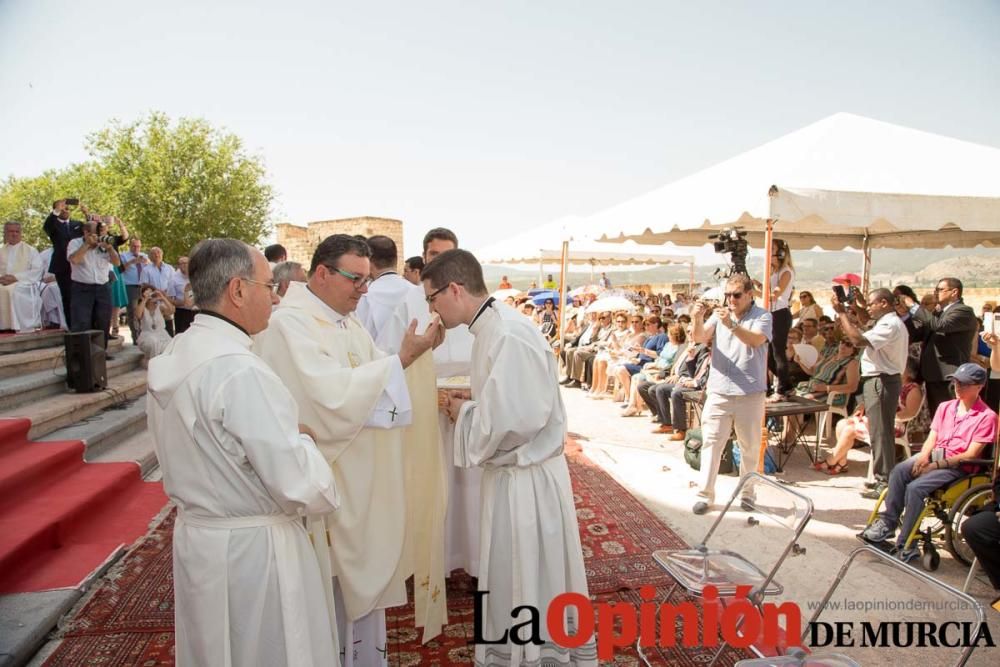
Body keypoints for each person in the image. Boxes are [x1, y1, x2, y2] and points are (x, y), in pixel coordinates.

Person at [146, 239, 341, 666]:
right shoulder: (241, 371)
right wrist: (303, 438)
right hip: (256, 552)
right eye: (268, 286)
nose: (275, 297)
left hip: (201, 540)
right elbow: (302, 487)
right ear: (237, 290)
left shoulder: (176, 352)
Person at [254, 234, 446, 661]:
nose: (364, 289)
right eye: (355, 280)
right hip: (325, 488)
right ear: (321, 274)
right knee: (326, 591)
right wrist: (401, 362)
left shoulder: (346, 320)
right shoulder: (291, 325)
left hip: (357, 480)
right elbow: (328, 398)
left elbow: (375, 371)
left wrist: (406, 357)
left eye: (365, 279)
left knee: (350, 593)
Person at [429, 249, 597, 666]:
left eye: (432, 297)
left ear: (454, 288)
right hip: (514, 477)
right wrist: (477, 398)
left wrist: (462, 412)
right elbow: (513, 399)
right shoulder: (492, 329)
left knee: (527, 575)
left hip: (527, 483)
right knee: (511, 574)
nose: (430, 308)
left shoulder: (506, 333)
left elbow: (513, 423)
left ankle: (535, 656)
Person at [862, 363, 997, 562]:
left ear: (978, 387)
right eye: (956, 382)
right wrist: (925, 456)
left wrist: (936, 465)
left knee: (916, 488)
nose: (958, 387)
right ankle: (888, 523)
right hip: (935, 453)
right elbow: (932, 437)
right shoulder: (945, 407)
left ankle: (907, 543)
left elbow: (970, 453)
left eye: (964, 384)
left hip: (959, 466)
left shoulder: (988, 416)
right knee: (899, 471)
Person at [690, 274, 773, 515]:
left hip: (749, 392)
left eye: (736, 295)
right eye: (727, 295)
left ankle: (747, 493)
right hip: (719, 390)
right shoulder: (719, 316)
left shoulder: (763, 316)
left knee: (749, 446)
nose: (731, 300)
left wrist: (732, 325)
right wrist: (697, 318)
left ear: (750, 294)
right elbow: (699, 338)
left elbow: (756, 340)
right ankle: (705, 494)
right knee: (712, 443)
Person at [835, 288, 910, 497]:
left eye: (871, 303)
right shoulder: (887, 323)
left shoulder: (890, 324)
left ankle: (885, 481)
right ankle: (882, 478)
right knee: (878, 431)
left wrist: (842, 314)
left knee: (880, 432)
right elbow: (864, 326)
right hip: (880, 379)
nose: (867, 307)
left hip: (882, 380)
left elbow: (858, 341)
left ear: (884, 303)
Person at [814, 358, 923, 474]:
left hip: (892, 424)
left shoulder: (913, 389)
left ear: (909, 372)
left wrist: (883, 417)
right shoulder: (893, 385)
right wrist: (864, 405)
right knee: (842, 424)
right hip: (879, 419)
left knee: (850, 430)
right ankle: (842, 463)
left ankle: (831, 460)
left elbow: (910, 413)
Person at [898, 277, 979, 418]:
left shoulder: (963, 311)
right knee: (938, 418)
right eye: (935, 290)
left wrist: (914, 307)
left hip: (948, 376)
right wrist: (905, 315)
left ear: (954, 292)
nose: (936, 293)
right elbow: (917, 334)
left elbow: (940, 326)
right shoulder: (938, 313)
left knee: (950, 417)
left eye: (940, 289)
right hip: (933, 375)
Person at [66, 220, 120, 348]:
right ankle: (81, 355)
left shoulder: (104, 244)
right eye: (96, 233)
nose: (99, 235)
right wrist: (86, 245)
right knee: (81, 322)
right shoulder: (75, 243)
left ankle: (100, 353)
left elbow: (117, 263)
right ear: (86, 232)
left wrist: (110, 248)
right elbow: (74, 259)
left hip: (103, 288)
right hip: (82, 288)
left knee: (103, 321)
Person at [754, 238, 794, 401]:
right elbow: (770, 292)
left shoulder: (786, 271)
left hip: (779, 314)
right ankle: (787, 384)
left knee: (777, 353)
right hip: (771, 313)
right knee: (768, 354)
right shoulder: (774, 272)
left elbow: (775, 295)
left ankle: (782, 389)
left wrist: (754, 293)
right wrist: (759, 286)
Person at [42, 199, 86, 328]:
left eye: (67, 208)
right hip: (62, 266)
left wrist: (86, 213)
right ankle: (73, 328)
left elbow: (91, 230)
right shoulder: (53, 224)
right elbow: (47, 226)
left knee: (83, 297)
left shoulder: (78, 224)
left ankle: (86, 325)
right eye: (62, 208)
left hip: (80, 265)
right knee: (68, 298)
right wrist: (56, 209)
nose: (65, 210)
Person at [0, 221, 44, 332]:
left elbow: (37, 270)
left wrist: (15, 277)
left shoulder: (30, 250)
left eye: (17, 231)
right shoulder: (1, 251)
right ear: (5, 233)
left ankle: (14, 325)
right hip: (3, 282)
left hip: (23, 284)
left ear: (21, 233)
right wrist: (2, 278)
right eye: (11, 231)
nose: (14, 234)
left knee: (10, 290)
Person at [118, 238, 149, 344]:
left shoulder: (144, 256)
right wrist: (132, 262)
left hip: (143, 287)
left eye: (138, 246)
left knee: (144, 312)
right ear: (129, 246)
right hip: (130, 286)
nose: (136, 248)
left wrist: (147, 262)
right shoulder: (123, 256)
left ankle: (145, 335)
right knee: (133, 312)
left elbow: (149, 268)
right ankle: (136, 338)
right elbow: (120, 269)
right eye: (134, 246)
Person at [136, 286, 175, 360]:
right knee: (154, 342)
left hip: (162, 335)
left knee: (171, 345)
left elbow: (172, 310)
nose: (151, 296)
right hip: (147, 336)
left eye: (152, 294)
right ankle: (153, 363)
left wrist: (163, 298)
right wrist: (145, 299)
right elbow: (138, 315)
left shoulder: (160, 308)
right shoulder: (142, 308)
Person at [166, 256, 196, 333]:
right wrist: (184, 302)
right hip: (182, 312)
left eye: (186, 263)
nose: (184, 265)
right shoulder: (174, 279)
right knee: (182, 334)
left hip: (196, 311)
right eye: (181, 263)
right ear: (178, 266)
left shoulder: (196, 276)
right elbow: (169, 297)